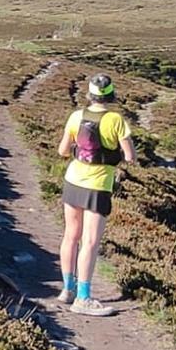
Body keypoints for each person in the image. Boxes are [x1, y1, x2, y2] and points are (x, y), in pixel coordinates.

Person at [55, 73, 136, 316]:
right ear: (110, 94)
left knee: (71, 235)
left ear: (89, 94)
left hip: (72, 180)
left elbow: (62, 151)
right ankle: (83, 297)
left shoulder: (76, 116)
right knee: (90, 241)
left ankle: (67, 290)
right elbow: (130, 156)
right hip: (98, 185)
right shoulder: (116, 120)